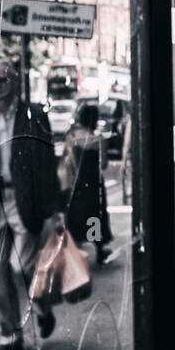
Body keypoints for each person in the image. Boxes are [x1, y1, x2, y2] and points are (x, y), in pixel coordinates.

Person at [0, 59, 61, 350]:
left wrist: (53, 209)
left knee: (21, 266)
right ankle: (10, 333)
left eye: (2, 80)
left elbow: (48, 162)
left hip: (25, 201)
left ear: (15, 82)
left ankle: (42, 306)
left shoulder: (34, 114)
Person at [59, 101, 116, 267]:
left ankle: (76, 251)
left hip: (77, 182)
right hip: (94, 183)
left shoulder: (72, 137)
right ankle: (99, 250)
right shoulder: (99, 140)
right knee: (95, 214)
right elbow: (103, 164)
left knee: (76, 215)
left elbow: (66, 161)